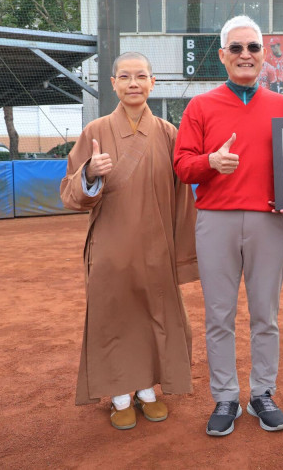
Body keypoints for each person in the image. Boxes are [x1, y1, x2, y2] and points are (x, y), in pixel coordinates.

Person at [60, 51, 199, 431]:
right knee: (115, 317)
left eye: (141, 76)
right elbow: (70, 192)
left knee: (156, 315)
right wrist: (90, 172)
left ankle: (147, 389)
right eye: (125, 77)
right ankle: (120, 395)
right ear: (113, 84)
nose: (133, 83)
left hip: (157, 246)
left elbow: (183, 196)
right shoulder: (96, 131)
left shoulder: (170, 133)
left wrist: (182, 254)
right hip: (111, 246)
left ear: (153, 83)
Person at [174, 15, 283, 436]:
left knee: (266, 315)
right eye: (237, 48)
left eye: (254, 48)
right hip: (215, 220)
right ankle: (225, 396)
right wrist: (210, 162)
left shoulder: (282, 105)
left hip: (268, 221)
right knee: (219, 316)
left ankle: (262, 393)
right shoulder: (200, 106)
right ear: (222, 55)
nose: (246, 55)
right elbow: (182, 165)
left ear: (263, 56)